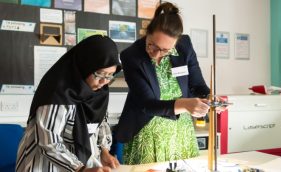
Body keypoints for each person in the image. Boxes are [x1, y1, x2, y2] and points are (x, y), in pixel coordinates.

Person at [115, 2, 212, 165]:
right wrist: (186, 104)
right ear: (148, 33)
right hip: (147, 133)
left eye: (165, 50)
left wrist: (211, 98)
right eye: (152, 45)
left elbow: (197, 85)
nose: (156, 54)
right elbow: (147, 104)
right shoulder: (131, 56)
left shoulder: (184, 46)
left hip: (181, 131)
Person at [16, 35, 121, 172]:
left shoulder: (99, 91)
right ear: (85, 65)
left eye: (110, 76)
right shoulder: (58, 92)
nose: (104, 82)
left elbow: (100, 123)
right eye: (100, 74)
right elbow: (49, 142)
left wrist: (104, 151)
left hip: (81, 163)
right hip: (46, 164)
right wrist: (80, 169)